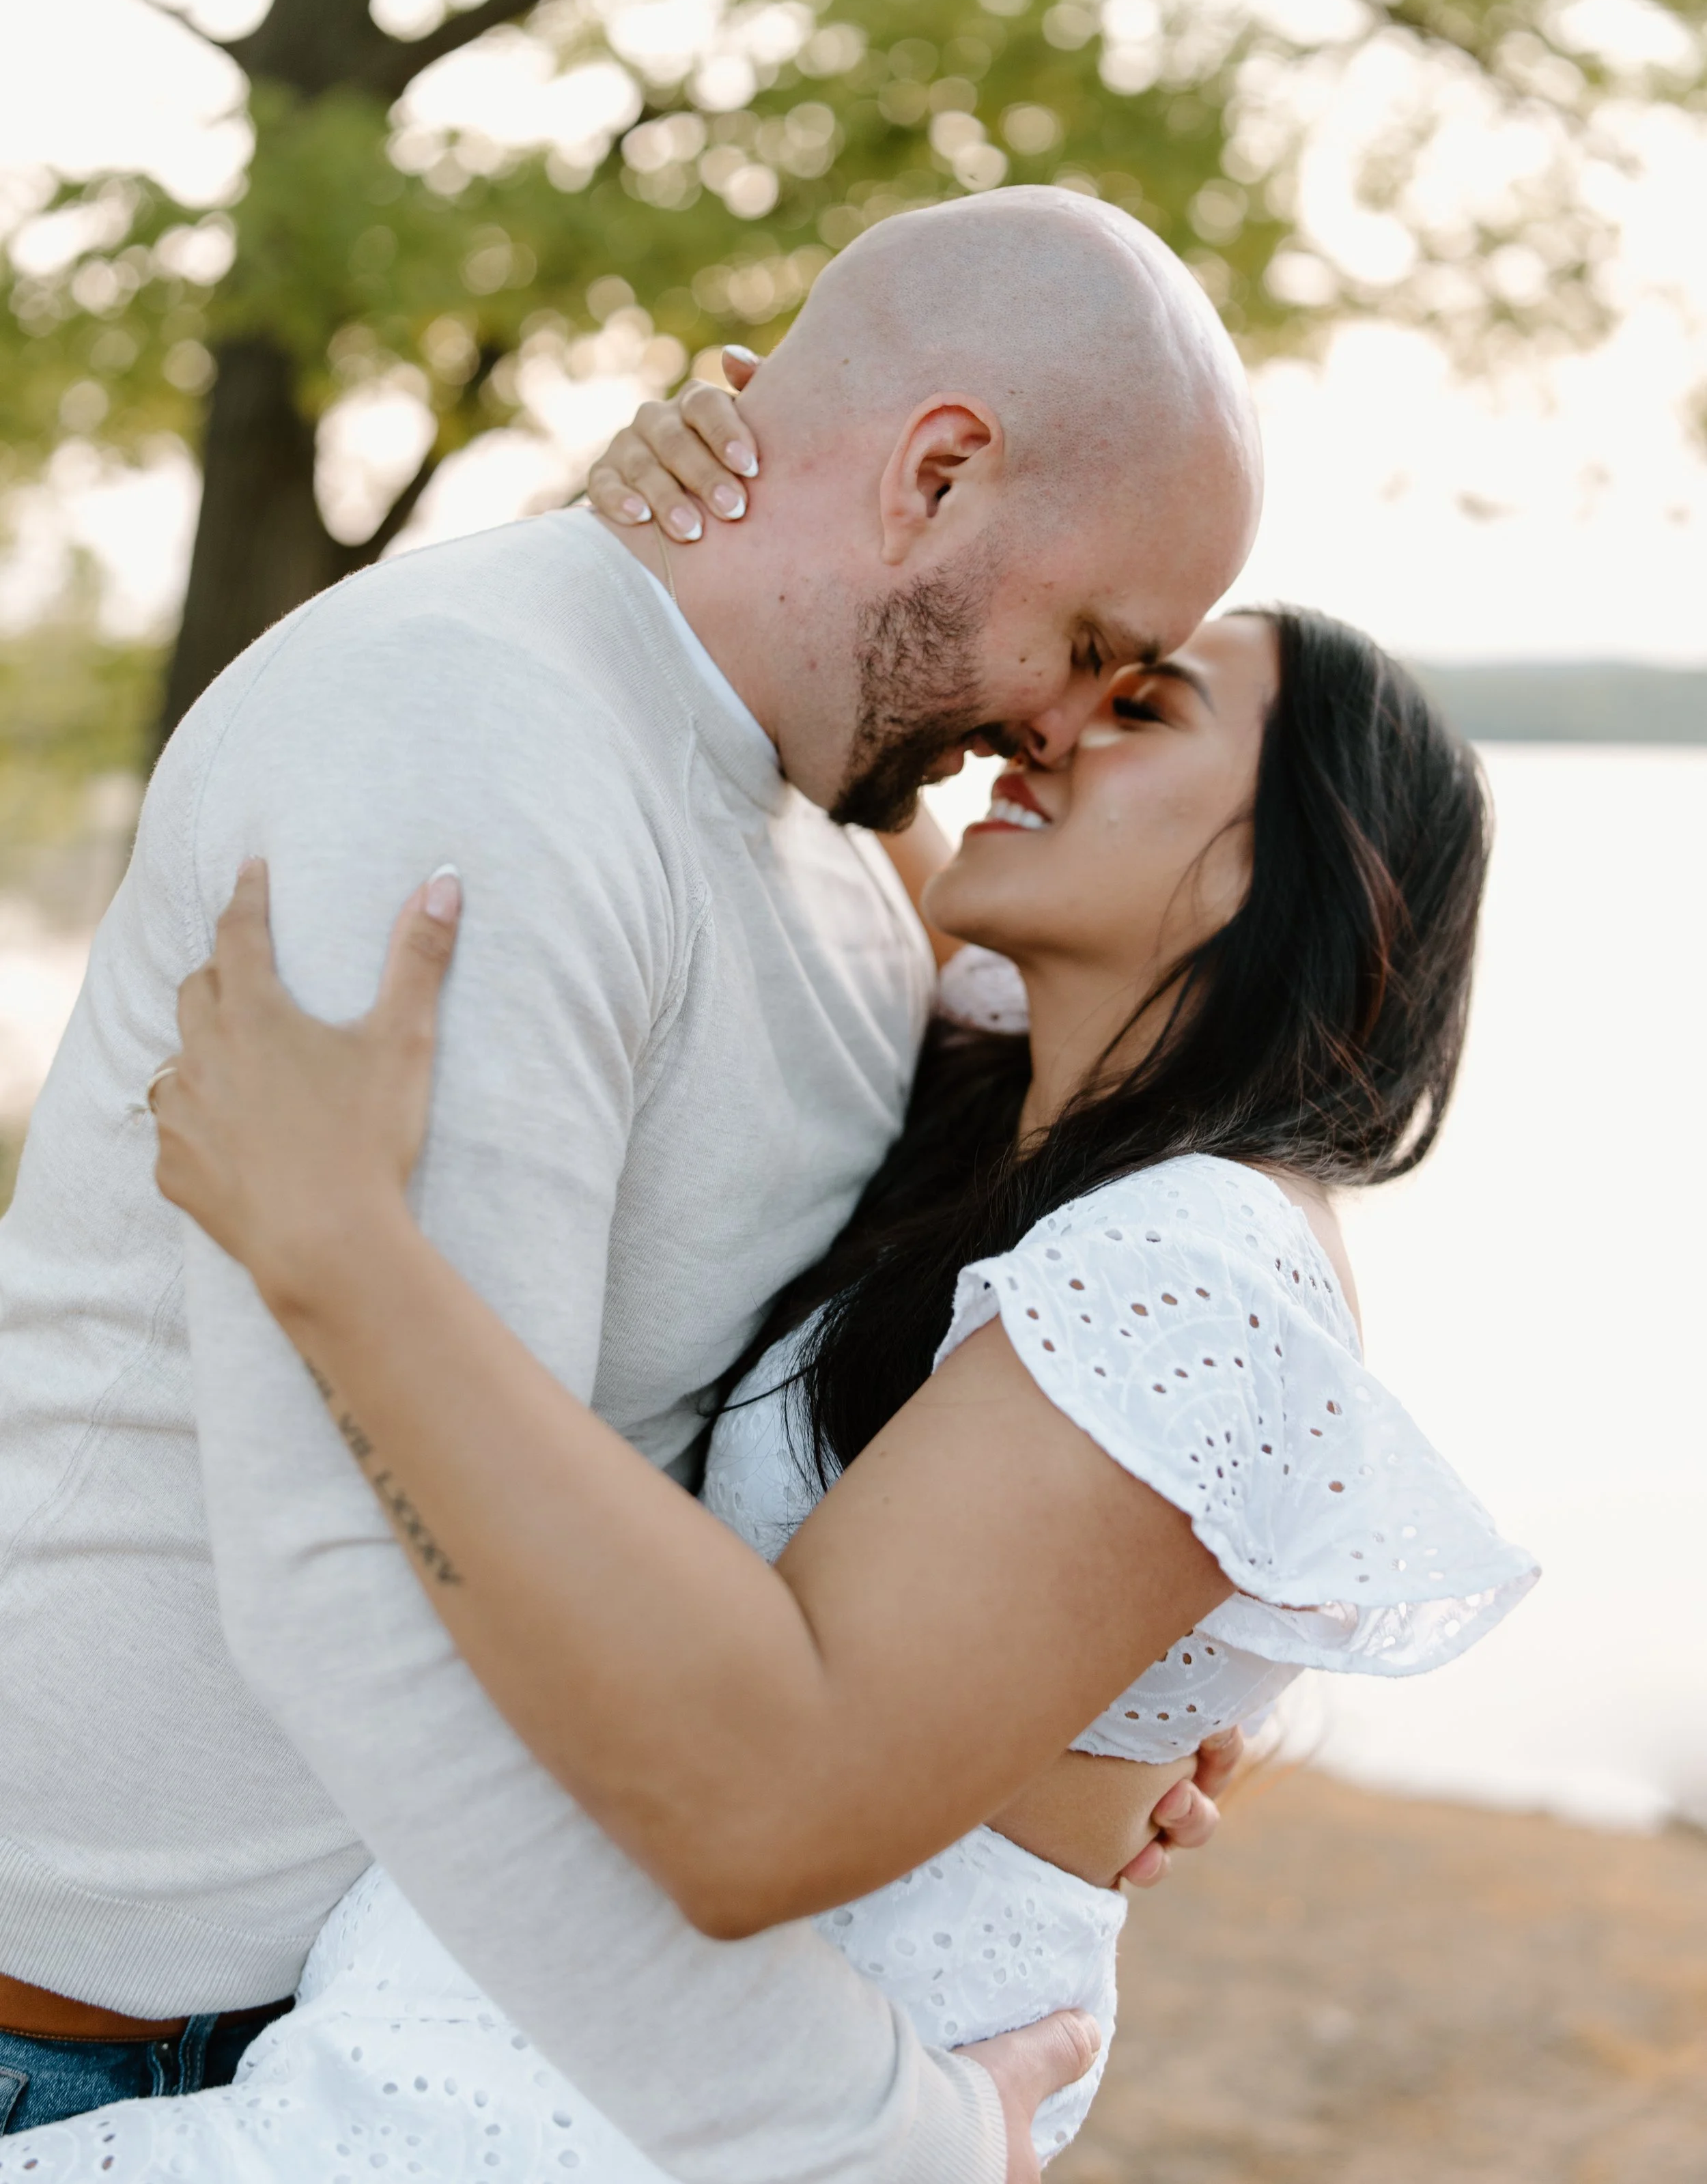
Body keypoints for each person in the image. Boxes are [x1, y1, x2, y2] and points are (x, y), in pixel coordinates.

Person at [0, 187, 1260, 2173]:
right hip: (92, 2034)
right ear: (935, 471)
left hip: (413, 2019)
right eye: (1092, 644)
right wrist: (881, 2132)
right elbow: (368, 1595)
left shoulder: (846, 859)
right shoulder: (461, 734)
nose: (1055, 727)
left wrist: (1062, 1708)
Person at [0, 589, 1538, 2180]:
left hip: (662, 2107)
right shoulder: (1020, 1114)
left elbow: (771, 1801)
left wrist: (340, 1244)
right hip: (521, 2065)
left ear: (1290, 879)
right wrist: (698, 486)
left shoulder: (1198, 1257)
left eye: (1142, 712)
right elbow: (824, 724)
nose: (1046, 725)